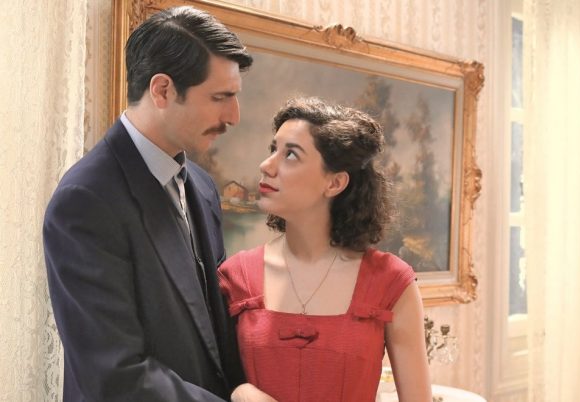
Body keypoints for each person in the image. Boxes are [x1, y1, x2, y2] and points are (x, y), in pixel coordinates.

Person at [43, 6, 274, 401]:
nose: (234, 116)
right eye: (221, 97)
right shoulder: (84, 202)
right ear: (163, 90)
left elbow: (214, 333)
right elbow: (114, 375)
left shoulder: (201, 186)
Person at [218, 97, 432, 402]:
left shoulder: (391, 282)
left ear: (334, 183)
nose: (266, 165)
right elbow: (206, 382)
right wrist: (240, 392)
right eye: (273, 149)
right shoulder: (235, 276)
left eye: (290, 154)